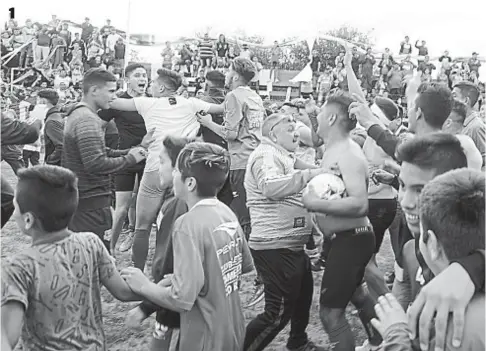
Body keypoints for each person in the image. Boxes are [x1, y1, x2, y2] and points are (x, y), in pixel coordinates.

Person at [121, 142, 254, 351]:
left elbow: (181, 299)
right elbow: (241, 266)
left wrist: (144, 285)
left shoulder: (187, 224)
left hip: (203, 336)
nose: (173, 175)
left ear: (190, 182)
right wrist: (183, 277)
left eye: (177, 170)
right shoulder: (226, 212)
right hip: (232, 326)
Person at [0, 165, 141, 351]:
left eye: (15, 207)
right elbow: (123, 293)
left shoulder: (19, 267)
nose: (14, 212)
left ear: (28, 219)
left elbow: (7, 339)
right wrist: (157, 290)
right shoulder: (91, 244)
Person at [109, 68, 224, 271]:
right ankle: (181, 271)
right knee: (182, 227)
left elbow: (113, 102)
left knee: (142, 227)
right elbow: (222, 107)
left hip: (156, 167)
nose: (150, 85)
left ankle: (138, 273)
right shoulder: (192, 104)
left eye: (153, 82)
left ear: (161, 87)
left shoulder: (147, 103)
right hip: (184, 171)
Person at [302, 92, 380, 351]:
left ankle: (376, 343)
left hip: (352, 239)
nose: (319, 117)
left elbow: (360, 203)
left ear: (333, 117)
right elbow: (314, 138)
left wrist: (315, 204)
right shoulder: (332, 149)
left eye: (322, 113)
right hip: (344, 239)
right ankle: (379, 343)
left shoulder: (348, 153)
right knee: (358, 294)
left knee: (329, 313)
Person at [243, 113, 325, 351]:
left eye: (296, 127)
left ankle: (297, 342)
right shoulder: (266, 154)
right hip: (274, 246)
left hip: (291, 245)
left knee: (302, 298)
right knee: (277, 313)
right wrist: (312, 175)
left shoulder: (283, 155)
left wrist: (325, 170)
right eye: (289, 129)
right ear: (272, 135)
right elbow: (269, 186)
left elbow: (308, 168)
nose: (296, 132)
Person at [196, 57, 265, 307]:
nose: (225, 74)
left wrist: (207, 123)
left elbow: (232, 133)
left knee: (243, 222)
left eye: (228, 70)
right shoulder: (253, 96)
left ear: (235, 75)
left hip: (240, 162)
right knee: (248, 218)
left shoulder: (235, 96)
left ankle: (262, 280)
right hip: (256, 158)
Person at [62, 68, 148, 252]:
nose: (114, 96)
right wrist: (130, 159)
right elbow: (96, 163)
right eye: (110, 91)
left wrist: (128, 152)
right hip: (89, 202)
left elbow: (101, 151)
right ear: (94, 90)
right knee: (93, 259)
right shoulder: (87, 120)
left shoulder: (83, 114)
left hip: (84, 200)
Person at [125, 136, 190, 351]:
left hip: (171, 296)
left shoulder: (178, 206)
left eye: (162, 162)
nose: (158, 167)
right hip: (178, 294)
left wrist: (145, 307)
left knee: (162, 344)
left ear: (178, 169)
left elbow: (170, 263)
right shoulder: (177, 201)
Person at [98, 63, 149, 254]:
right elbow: (99, 124)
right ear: (127, 80)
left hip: (149, 160)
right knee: (121, 209)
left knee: (143, 206)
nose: (143, 78)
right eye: (138, 75)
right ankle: (108, 250)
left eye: (144, 75)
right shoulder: (119, 102)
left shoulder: (152, 101)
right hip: (126, 158)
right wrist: (100, 146)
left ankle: (133, 235)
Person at [197, 69, 233, 206]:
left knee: (207, 198)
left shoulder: (202, 103)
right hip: (231, 156)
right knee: (226, 199)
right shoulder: (234, 102)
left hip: (208, 156)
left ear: (206, 85)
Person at [1, 111, 41, 227]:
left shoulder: (11, 128)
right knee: (7, 198)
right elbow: (30, 132)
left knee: (22, 174)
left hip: (11, 152)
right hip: (3, 150)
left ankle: (32, 192)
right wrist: (37, 120)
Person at [452, 81, 485, 170]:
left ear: (466, 101)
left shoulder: (476, 127)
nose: (450, 100)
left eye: (454, 96)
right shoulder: (457, 123)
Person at [39, 89, 64, 166]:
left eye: (38, 100)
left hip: (57, 167)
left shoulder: (52, 120)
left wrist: (49, 161)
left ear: (43, 101)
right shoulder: (54, 116)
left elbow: (61, 145)